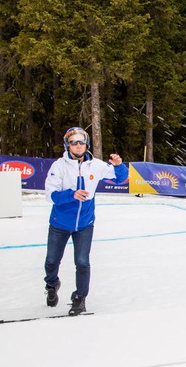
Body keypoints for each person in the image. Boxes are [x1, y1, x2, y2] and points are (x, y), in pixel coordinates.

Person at [44, 126, 128, 315]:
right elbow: (51, 195)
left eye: (82, 141)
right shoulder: (59, 166)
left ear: (87, 144)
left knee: (82, 262)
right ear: (68, 145)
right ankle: (51, 284)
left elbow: (120, 179)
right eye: (74, 142)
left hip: (85, 224)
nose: (78, 145)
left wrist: (118, 165)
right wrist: (71, 195)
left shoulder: (96, 165)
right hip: (60, 223)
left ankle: (80, 298)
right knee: (52, 261)